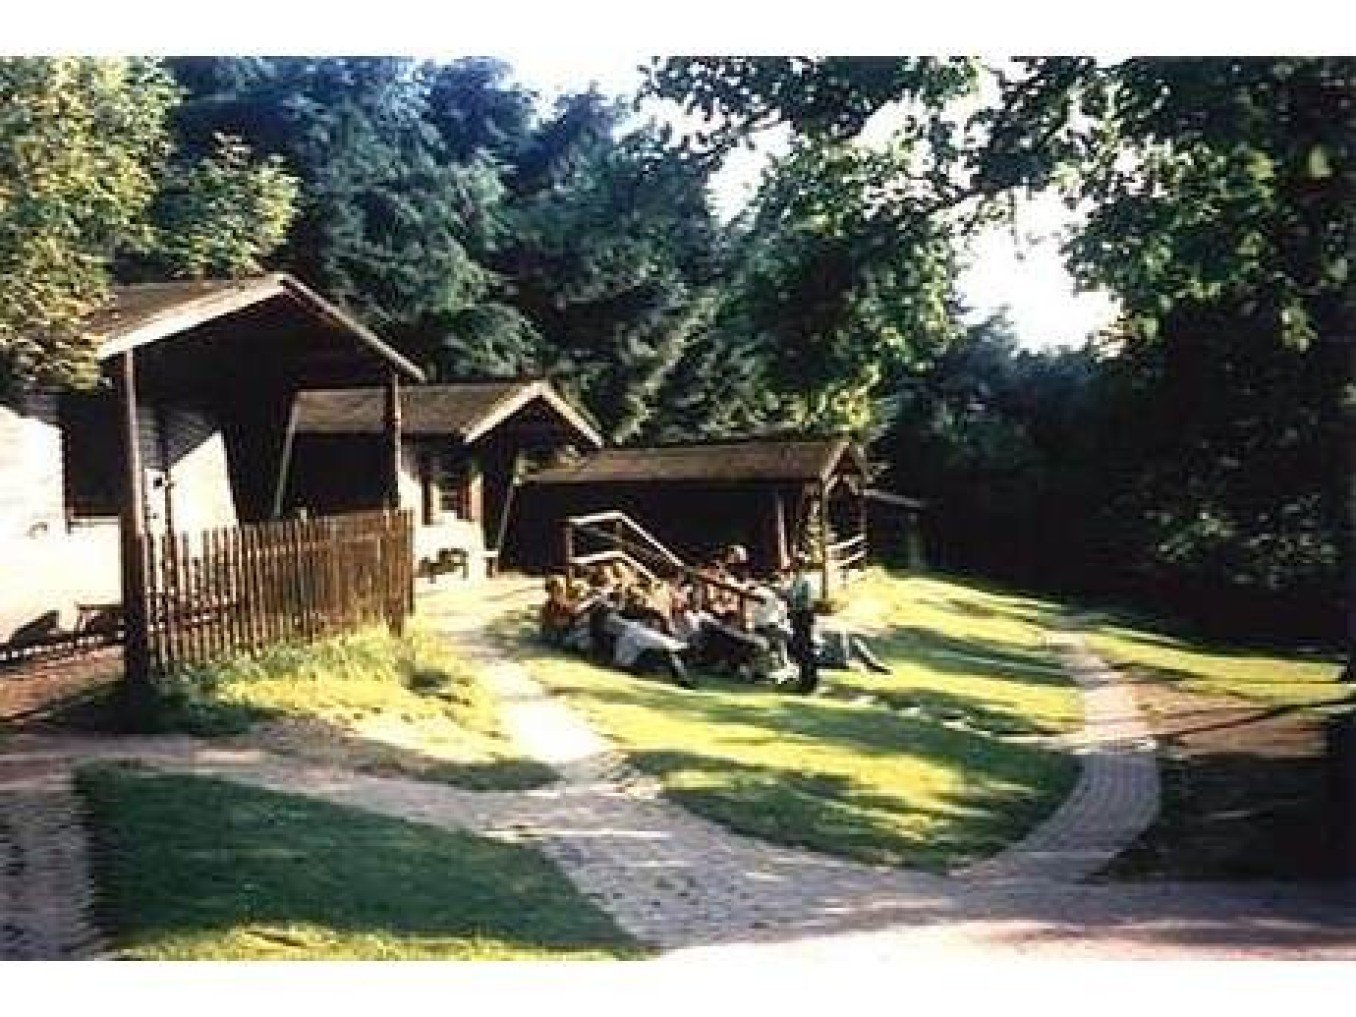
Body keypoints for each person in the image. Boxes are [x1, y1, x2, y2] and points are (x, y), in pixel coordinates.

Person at [785, 553, 820, 694]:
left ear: (798, 565)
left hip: (802, 616)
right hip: (806, 615)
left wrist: (777, 591)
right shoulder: (806, 578)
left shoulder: (801, 579)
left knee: (803, 649)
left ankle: (806, 683)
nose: (790, 565)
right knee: (805, 648)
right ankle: (808, 681)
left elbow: (791, 596)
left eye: (793, 563)